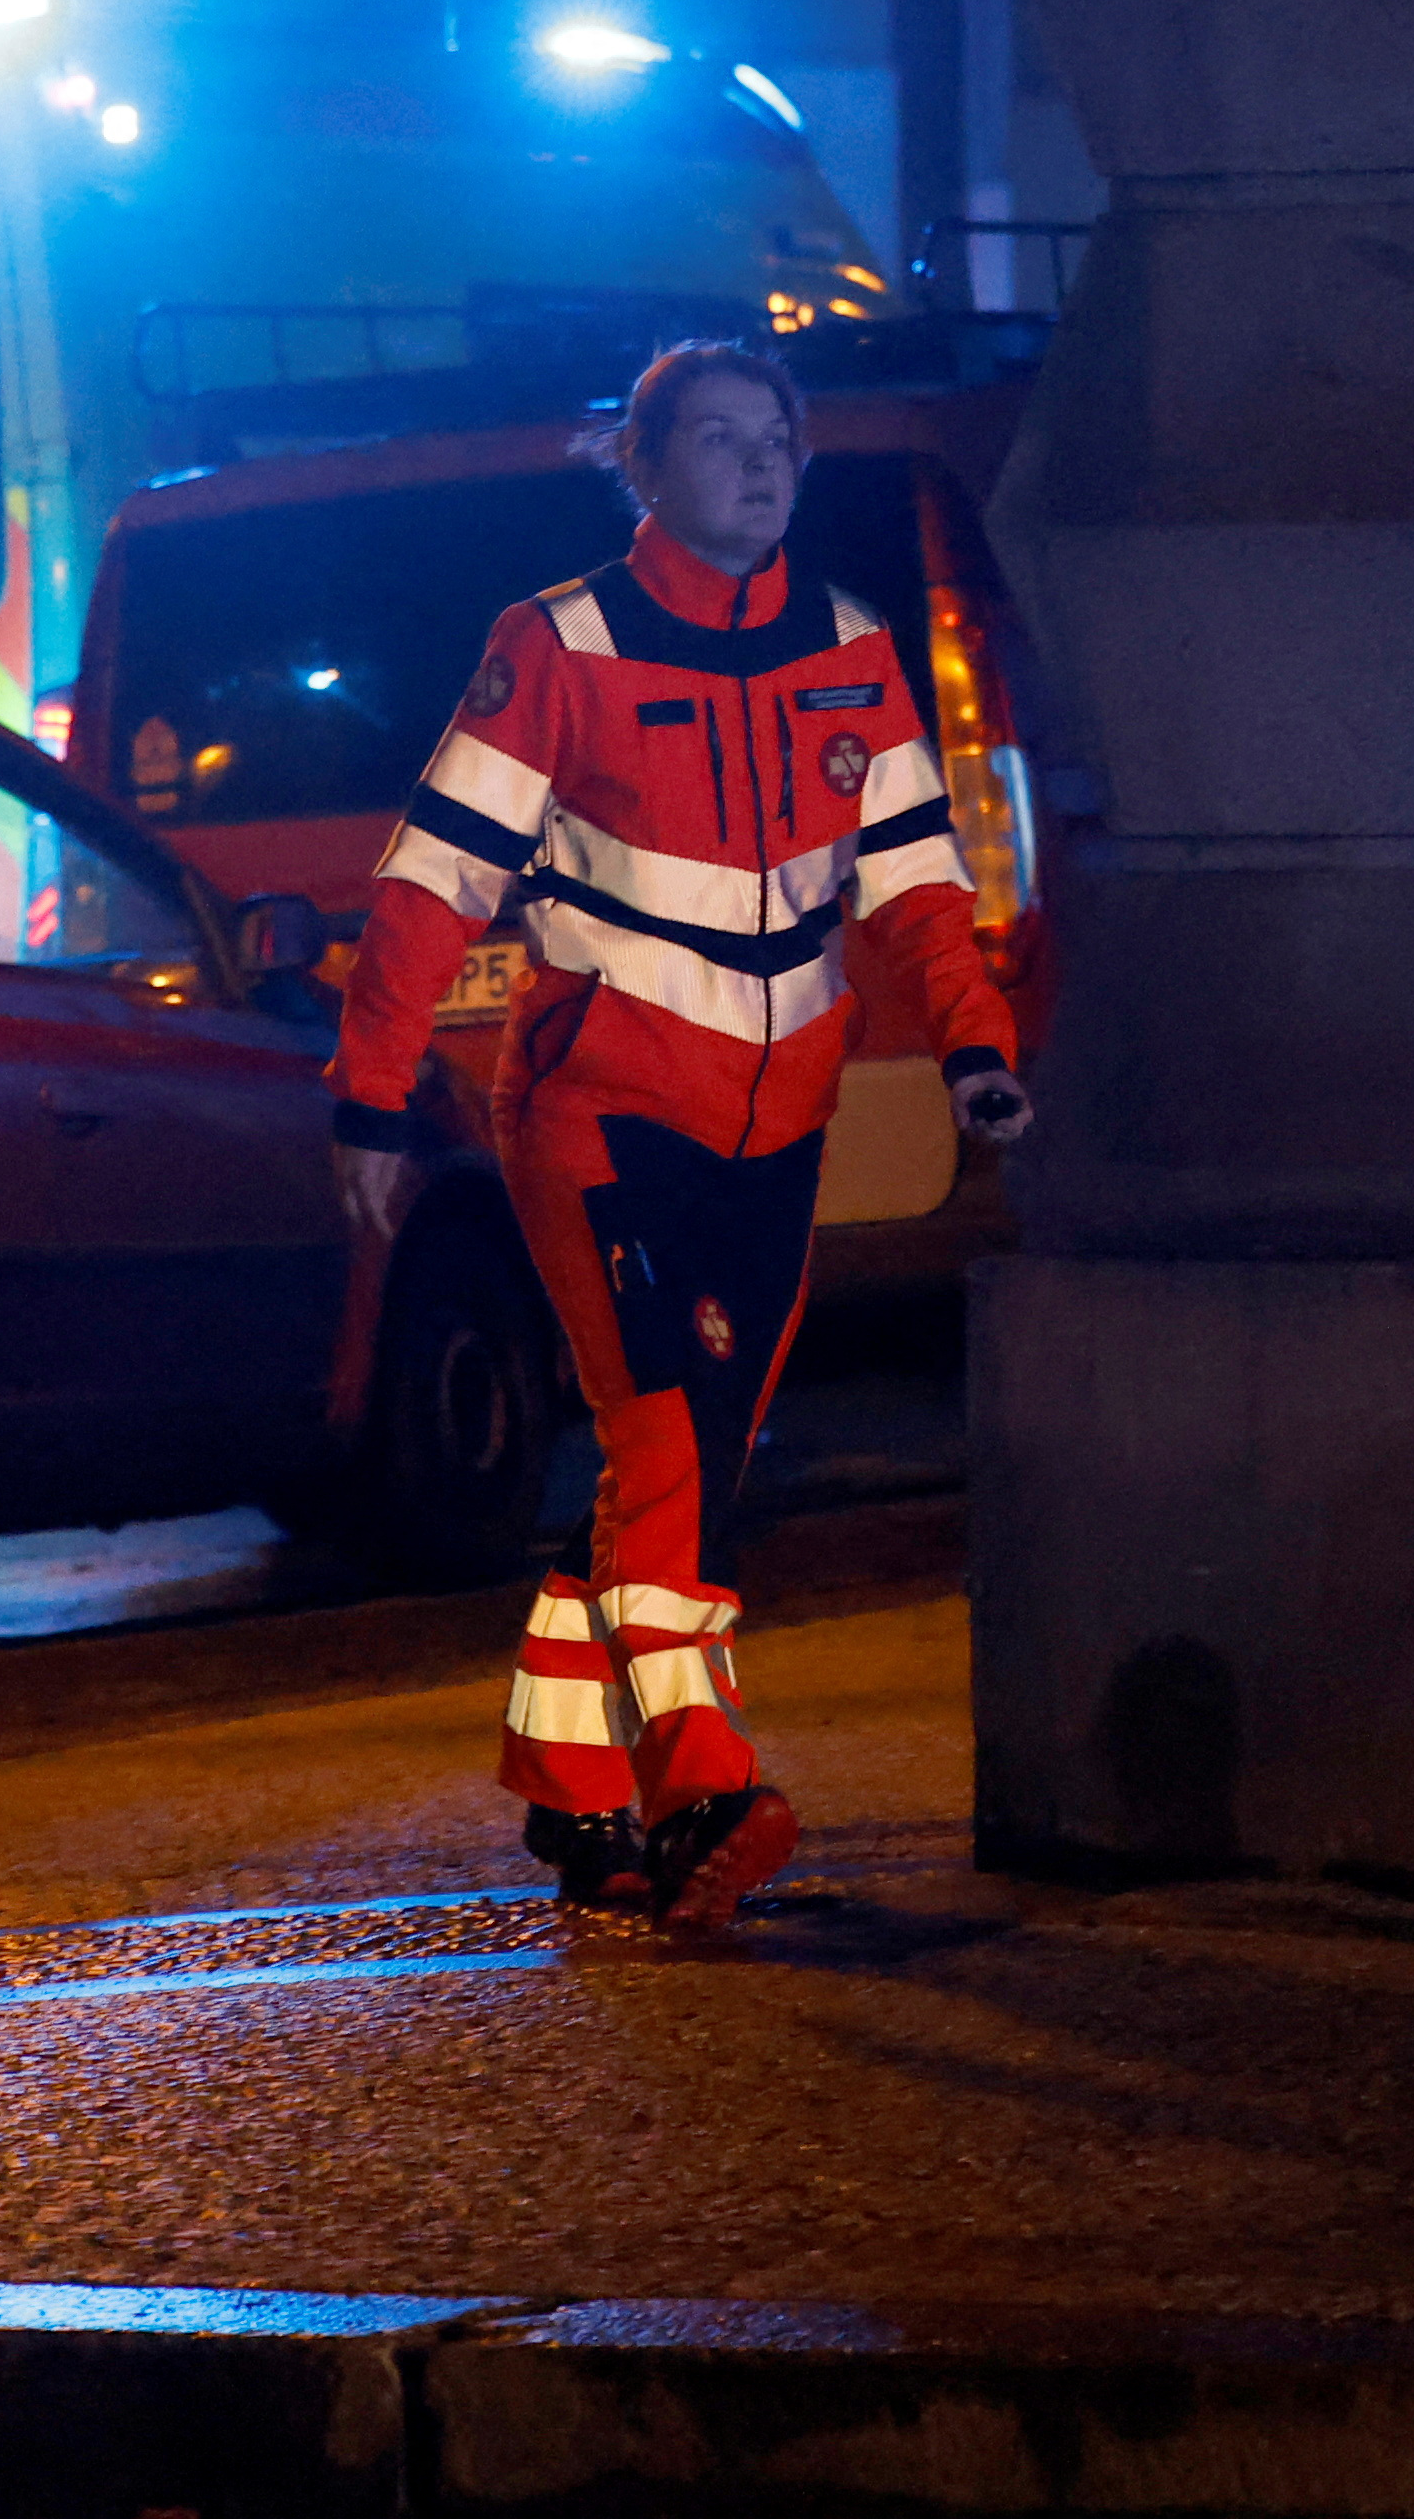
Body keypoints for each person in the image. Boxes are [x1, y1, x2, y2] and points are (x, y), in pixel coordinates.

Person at [322, 339, 1035, 1931]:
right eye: (714, 438)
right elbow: (432, 882)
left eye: (774, 434)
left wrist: (977, 1042)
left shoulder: (853, 648)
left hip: (782, 1126)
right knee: (663, 1445)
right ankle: (705, 1774)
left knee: (691, 1462)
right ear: (641, 469)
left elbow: (917, 882)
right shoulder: (556, 647)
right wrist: (369, 1097)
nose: (758, 461)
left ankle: (574, 1799)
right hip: (601, 1108)